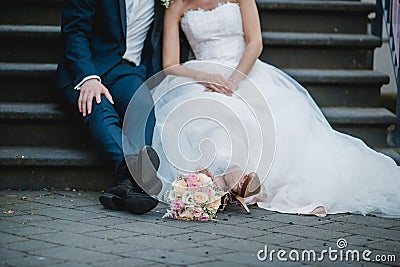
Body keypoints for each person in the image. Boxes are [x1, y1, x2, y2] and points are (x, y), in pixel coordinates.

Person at [150, 0, 400, 217]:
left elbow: (255, 42)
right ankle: (228, 180)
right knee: (204, 119)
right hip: (202, 77)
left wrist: (235, 82)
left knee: (277, 120)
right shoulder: (177, 5)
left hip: (244, 72)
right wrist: (202, 77)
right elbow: (170, 64)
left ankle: (228, 183)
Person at [54, 0, 164, 214]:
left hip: (127, 71)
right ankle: (135, 173)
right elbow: (74, 31)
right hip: (85, 69)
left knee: (142, 105)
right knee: (99, 107)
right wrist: (88, 77)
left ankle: (125, 185)